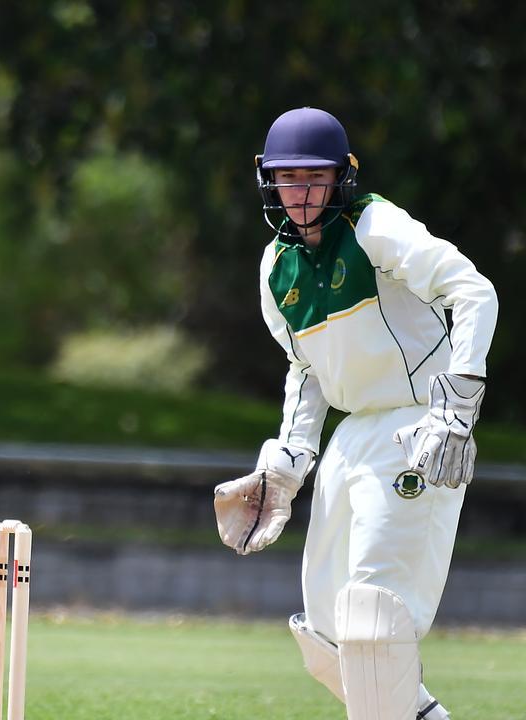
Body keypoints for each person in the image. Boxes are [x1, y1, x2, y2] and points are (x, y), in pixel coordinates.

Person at [212, 108, 497, 720]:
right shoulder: (274, 268)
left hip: (414, 426)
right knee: (325, 636)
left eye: (315, 177)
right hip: (350, 439)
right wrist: (286, 468)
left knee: (374, 615)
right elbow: (308, 369)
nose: (302, 193)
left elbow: (474, 292)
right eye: (288, 178)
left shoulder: (373, 225)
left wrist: (455, 409)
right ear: (268, 180)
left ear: (342, 177)